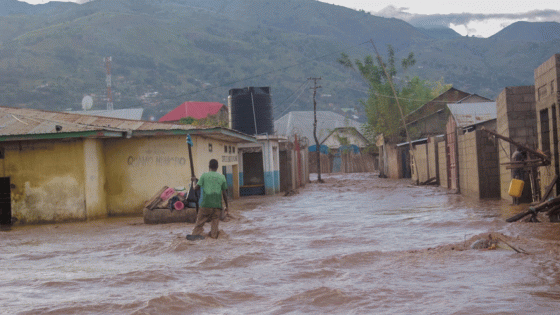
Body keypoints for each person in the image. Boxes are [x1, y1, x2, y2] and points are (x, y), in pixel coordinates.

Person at [190, 159, 228, 239]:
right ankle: (214, 238)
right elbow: (224, 193)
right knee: (215, 226)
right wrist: (227, 206)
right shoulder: (222, 177)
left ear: (209, 166)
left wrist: (194, 181)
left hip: (205, 205)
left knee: (199, 224)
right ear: (217, 167)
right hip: (217, 205)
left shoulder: (204, 175)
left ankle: (194, 237)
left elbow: (195, 188)